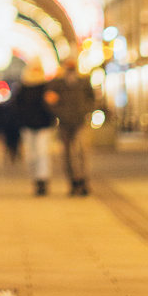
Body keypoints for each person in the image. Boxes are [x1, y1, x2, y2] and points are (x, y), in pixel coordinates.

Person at [45, 53, 96, 195]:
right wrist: (59, 112)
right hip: (65, 123)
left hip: (80, 121)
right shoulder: (57, 83)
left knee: (81, 151)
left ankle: (83, 180)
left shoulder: (84, 81)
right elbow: (50, 101)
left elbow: (92, 99)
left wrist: (85, 110)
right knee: (66, 153)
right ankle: (73, 181)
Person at [10, 58, 56, 196]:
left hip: (43, 125)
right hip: (28, 126)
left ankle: (42, 180)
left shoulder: (46, 86)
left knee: (42, 153)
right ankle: (35, 179)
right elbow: (16, 107)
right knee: (31, 155)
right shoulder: (23, 87)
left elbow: (51, 105)